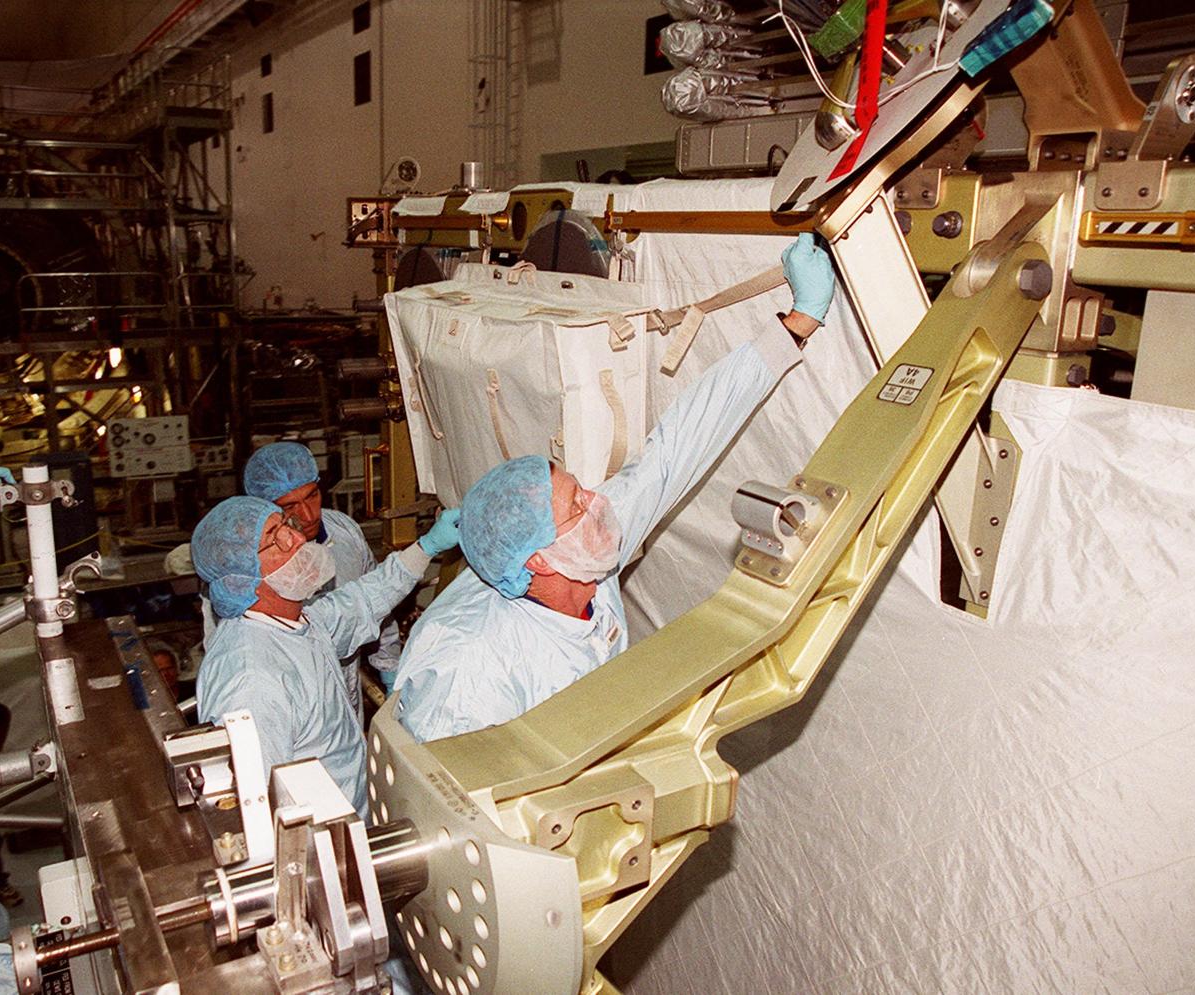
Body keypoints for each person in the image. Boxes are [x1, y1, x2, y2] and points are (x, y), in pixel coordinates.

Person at [394, 233, 837, 741]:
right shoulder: (466, 671)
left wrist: (798, 322)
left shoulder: (577, 553)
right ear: (538, 559)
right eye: (576, 505)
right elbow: (448, 801)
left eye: (579, 487)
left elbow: (677, 446)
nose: (597, 500)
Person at [192, 494, 460, 816]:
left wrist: (427, 546)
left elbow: (362, 599)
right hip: (328, 846)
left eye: (285, 525)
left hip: (356, 814)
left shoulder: (296, 623)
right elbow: (258, 810)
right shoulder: (253, 681)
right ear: (242, 579)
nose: (297, 537)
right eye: (275, 540)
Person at [241, 441, 401, 713]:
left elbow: (377, 600)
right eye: (290, 506)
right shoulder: (249, 560)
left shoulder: (344, 531)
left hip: (348, 693)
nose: (307, 514)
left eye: (312, 495)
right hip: (292, 702)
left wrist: (390, 667)